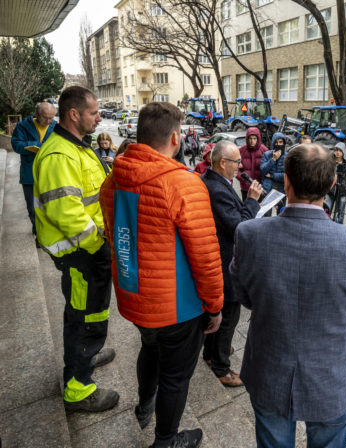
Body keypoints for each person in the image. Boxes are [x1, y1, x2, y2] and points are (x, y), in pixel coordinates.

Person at [230, 143, 346, 448]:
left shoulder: (249, 234)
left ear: (286, 181)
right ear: (333, 184)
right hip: (331, 377)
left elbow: (244, 295)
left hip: (268, 368)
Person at [99, 102, 224, 448]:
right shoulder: (183, 184)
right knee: (176, 377)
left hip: (134, 297)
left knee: (149, 350)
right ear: (174, 137)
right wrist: (215, 306)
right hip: (176, 308)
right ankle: (166, 440)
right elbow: (206, 256)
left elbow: (116, 235)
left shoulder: (113, 179)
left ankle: (144, 404)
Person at [32, 86, 118, 412]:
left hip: (90, 249)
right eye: (94, 113)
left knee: (92, 311)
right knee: (81, 318)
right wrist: (98, 241)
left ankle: (90, 352)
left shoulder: (76, 148)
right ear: (74, 114)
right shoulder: (59, 155)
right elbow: (66, 212)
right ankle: (78, 388)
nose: (99, 118)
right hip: (80, 252)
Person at [201, 141, 263, 387]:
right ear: (222, 163)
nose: (240, 165)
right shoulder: (216, 188)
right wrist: (253, 201)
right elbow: (238, 227)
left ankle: (212, 353)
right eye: (236, 162)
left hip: (223, 257)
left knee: (223, 316)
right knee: (229, 315)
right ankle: (220, 366)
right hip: (225, 261)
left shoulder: (219, 182)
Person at [11, 102, 56, 237]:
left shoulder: (55, 126)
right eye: (45, 118)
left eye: (51, 118)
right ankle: (38, 232)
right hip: (29, 174)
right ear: (36, 114)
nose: (48, 121)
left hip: (50, 173)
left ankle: (48, 232)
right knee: (32, 206)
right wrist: (37, 145)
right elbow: (16, 145)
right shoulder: (23, 126)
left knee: (50, 205)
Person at [237, 127, 269, 200]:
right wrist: (243, 179)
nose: (252, 141)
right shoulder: (241, 151)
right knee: (246, 209)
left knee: (259, 210)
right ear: (247, 139)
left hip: (260, 188)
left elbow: (269, 167)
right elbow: (235, 168)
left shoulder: (264, 150)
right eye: (250, 138)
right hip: (246, 188)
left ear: (258, 139)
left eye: (254, 138)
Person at [260, 132, 287, 215]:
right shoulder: (267, 155)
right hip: (267, 189)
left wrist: (272, 176)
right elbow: (263, 171)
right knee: (266, 214)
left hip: (281, 190)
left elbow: (287, 176)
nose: (278, 144)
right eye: (276, 142)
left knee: (280, 214)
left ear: (284, 143)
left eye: (280, 142)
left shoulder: (287, 157)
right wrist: (273, 159)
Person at [325, 142, 346, 224]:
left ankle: (339, 229)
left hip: (342, 192)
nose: (337, 152)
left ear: (343, 151)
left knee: (340, 214)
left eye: (340, 150)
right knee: (327, 212)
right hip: (330, 192)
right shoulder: (329, 162)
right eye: (336, 150)